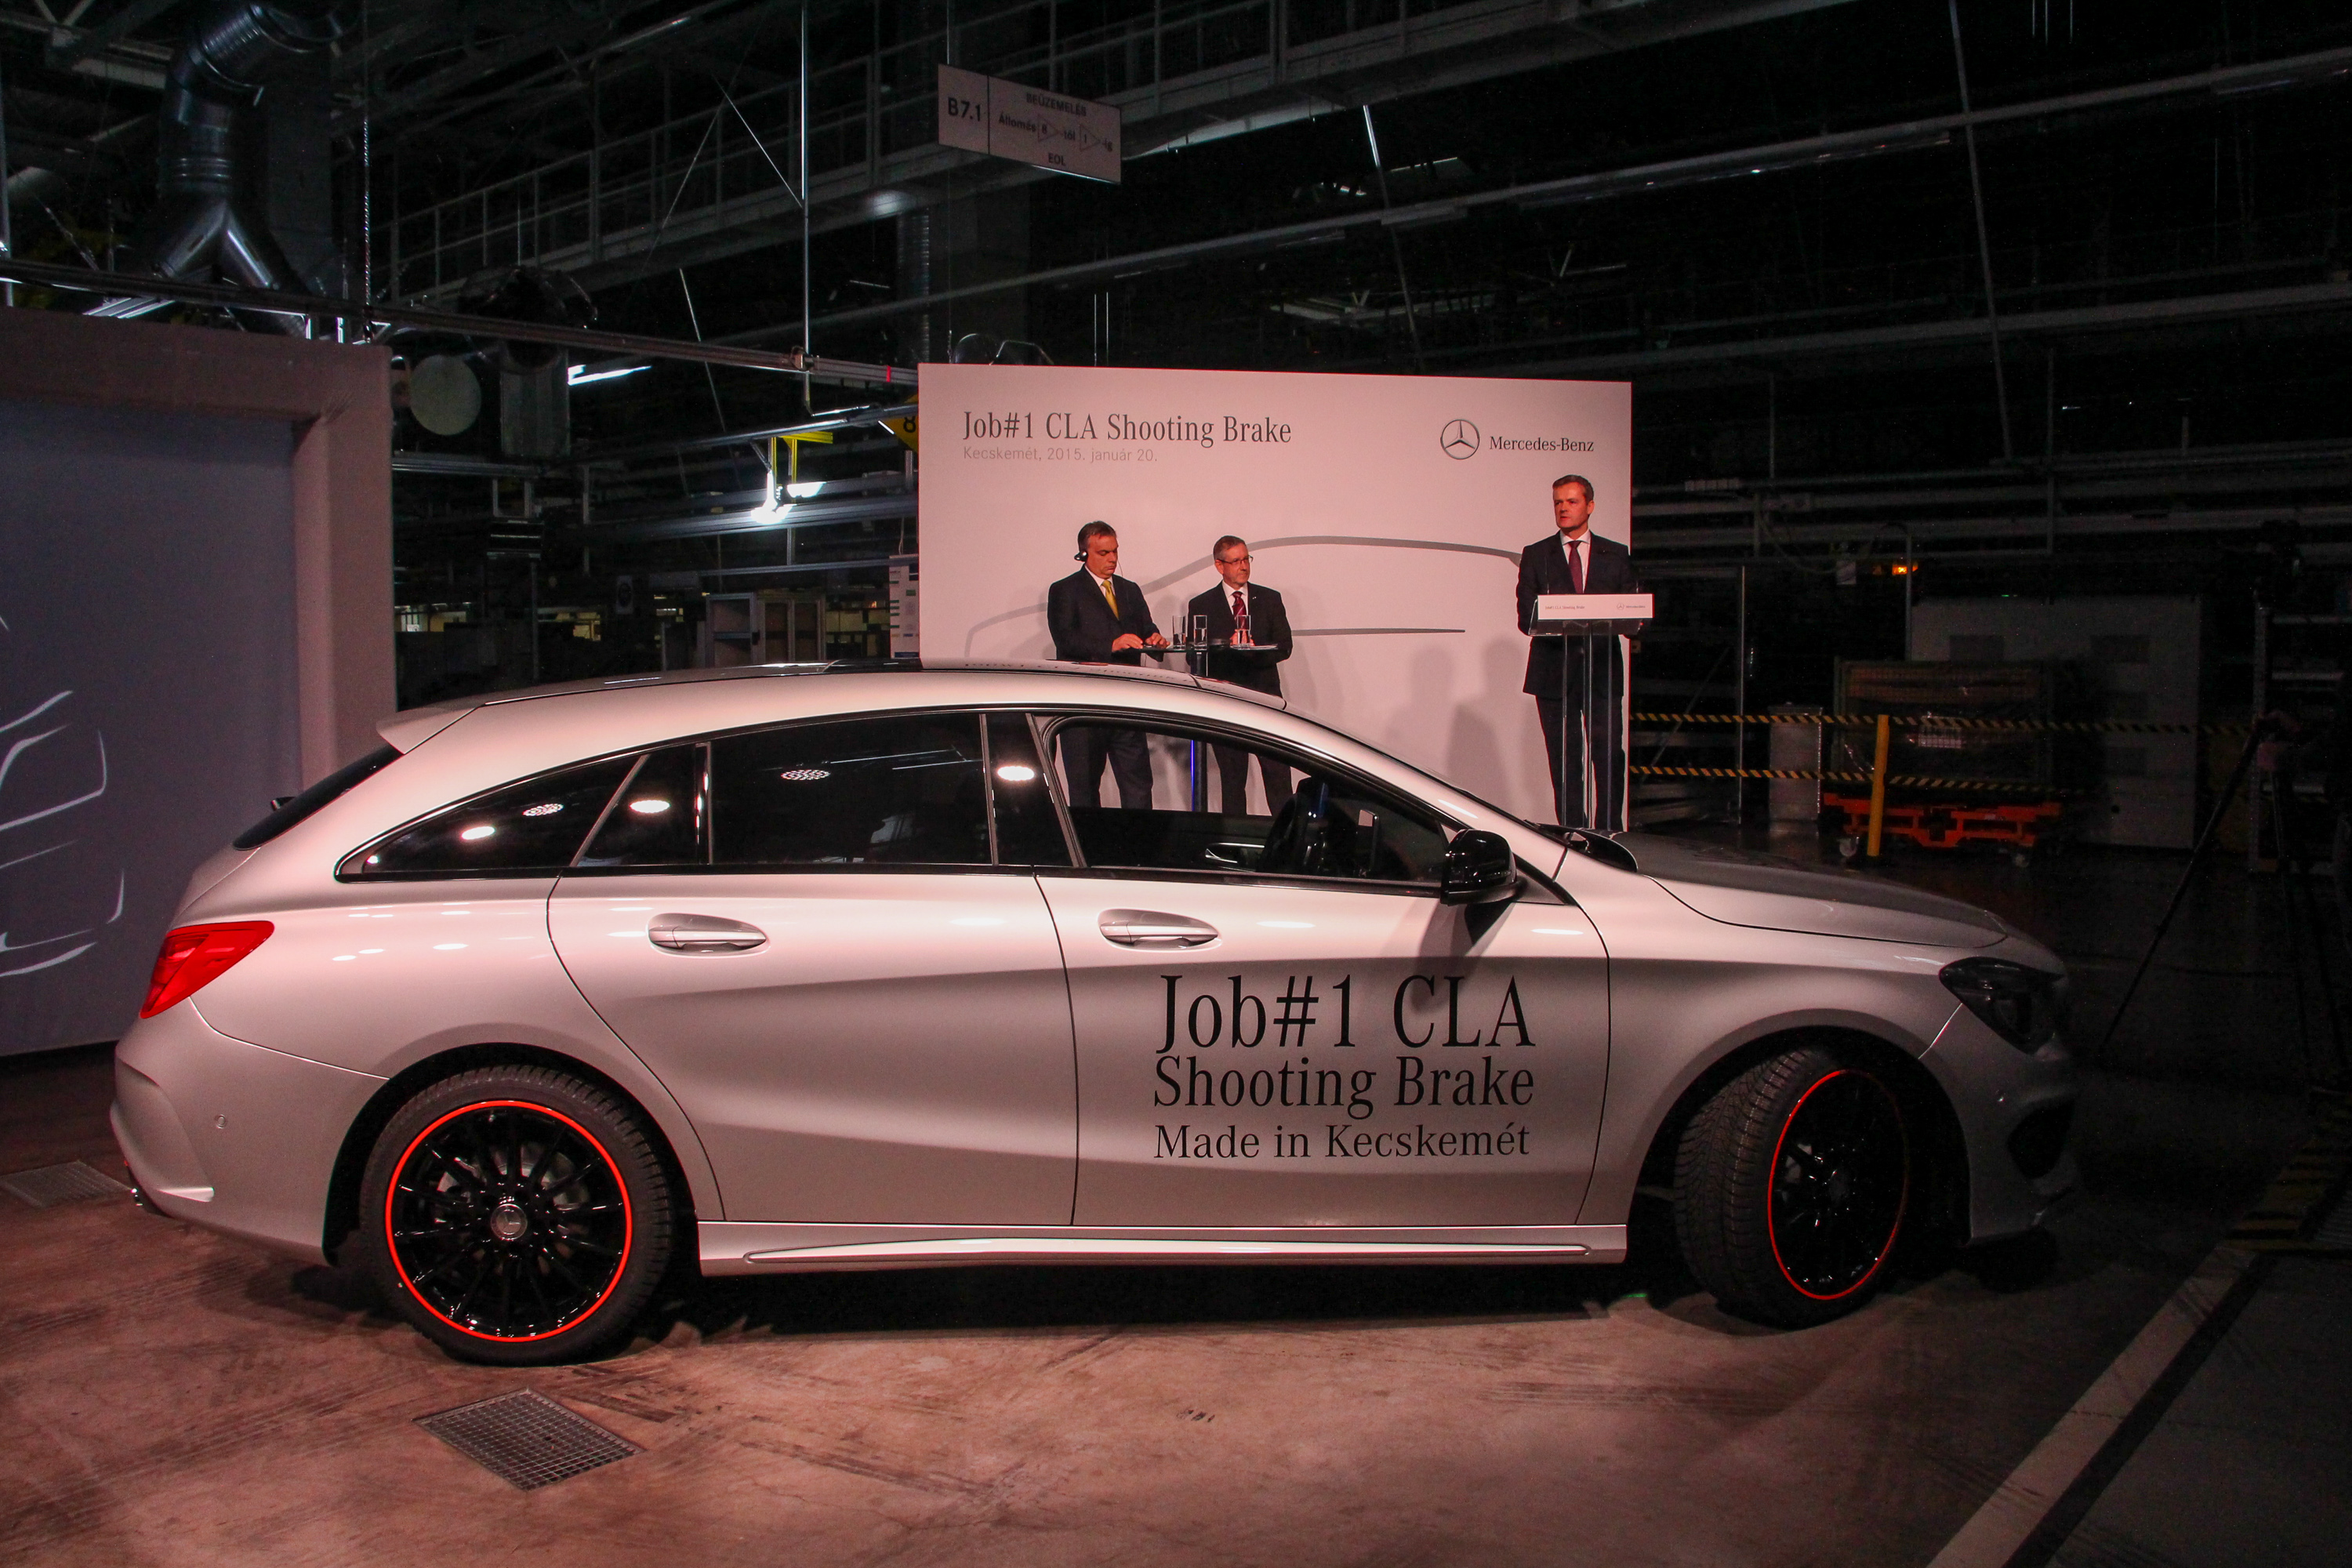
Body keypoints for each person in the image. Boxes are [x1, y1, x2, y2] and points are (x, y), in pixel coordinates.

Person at [1517, 474, 1640, 830]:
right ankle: (1573, 835)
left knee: (1608, 755)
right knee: (1565, 761)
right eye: (1558, 502)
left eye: (1571, 502)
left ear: (1590, 506)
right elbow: (1526, 617)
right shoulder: (1536, 554)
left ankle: (1608, 832)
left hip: (1601, 671)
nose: (1563, 508)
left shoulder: (1615, 554)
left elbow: (1631, 611)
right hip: (1553, 673)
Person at [1047, 521, 1167, 809]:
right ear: (1083, 554)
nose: (1112, 558)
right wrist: (1111, 645)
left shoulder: (1130, 590)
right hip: (1084, 709)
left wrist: (1155, 639)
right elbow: (1065, 640)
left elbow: (1146, 627)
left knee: (1138, 788)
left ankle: (1139, 839)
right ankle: (1090, 840)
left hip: (1127, 706)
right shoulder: (1065, 590)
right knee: (1085, 791)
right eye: (1103, 553)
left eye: (1115, 551)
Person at [1186, 535, 1296, 816]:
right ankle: (1235, 836)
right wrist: (1228, 647)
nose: (1244, 566)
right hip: (1227, 702)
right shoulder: (1202, 604)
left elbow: (1284, 646)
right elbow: (1193, 656)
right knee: (1233, 781)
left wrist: (1252, 649)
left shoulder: (1270, 599)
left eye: (1246, 559)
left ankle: (1287, 835)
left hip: (1266, 699)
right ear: (1219, 566)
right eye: (1236, 561)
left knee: (1278, 778)